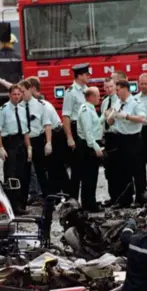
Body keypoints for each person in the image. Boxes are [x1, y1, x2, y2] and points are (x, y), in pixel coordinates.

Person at [25, 76, 70, 196]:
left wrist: (48, 142)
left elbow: (47, 125)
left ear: (31, 89)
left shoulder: (42, 105)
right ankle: (54, 194)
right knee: (52, 168)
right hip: (50, 134)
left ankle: (64, 194)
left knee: (56, 168)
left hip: (55, 135)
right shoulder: (35, 103)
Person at [106, 81, 147, 208]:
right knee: (123, 172)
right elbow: (112, 122)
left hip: (133, 139)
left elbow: (142, 118)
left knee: (137, 171)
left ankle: (140, 199)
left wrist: (127, 116)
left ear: (125, 89)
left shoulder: (135, 102)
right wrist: (111, 118)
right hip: (120, 138)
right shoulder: (118, 103)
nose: (116, 92)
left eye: (118, 89)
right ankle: (125, 199)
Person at [0, 84, 31, 213]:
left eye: (18, 94)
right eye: (14, 94)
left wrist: (29, 147)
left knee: (24, 175)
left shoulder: (22, 109)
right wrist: (0, 147)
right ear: (9, 95)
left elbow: (25, 130)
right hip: (10, 143)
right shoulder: (2, 110)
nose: (16, 97)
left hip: (22, 143)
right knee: (11, 175)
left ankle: (22, 204)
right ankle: (13, 206)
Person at [62, 63, 90, 199]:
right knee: (76, 168)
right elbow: (66, 116)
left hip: (86, 130)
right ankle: (73, 200)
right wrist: (69, 137)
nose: (88, 76)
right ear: (79, 76)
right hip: (75, 129)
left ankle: (86, 201)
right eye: (86, 74)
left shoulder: (87, 90)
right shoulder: (71, 92)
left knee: (86, 167)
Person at [77, 87, 104, 212]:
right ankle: (89, 205)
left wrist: (104, 116)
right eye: (97, 95)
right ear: (91, 97)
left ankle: (90, 202)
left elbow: (95, 125)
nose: (99, 98)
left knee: (92, 176)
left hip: (90, 144)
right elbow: (88, 132)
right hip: (88, 146)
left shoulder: (90, 109)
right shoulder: (86, 110)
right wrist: (95, 146)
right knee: (89, 176)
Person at [100, 78, 119, 206]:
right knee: (109, 170)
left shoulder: (119, 101)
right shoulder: (105, 102)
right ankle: (112, 197)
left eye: (111, 86)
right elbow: (102, 121)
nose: (108, 89)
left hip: (117, 135)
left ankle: (119, 197)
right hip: (107, 137)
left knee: (118, 169)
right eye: (106, 87)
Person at [0, 33, 22, 106]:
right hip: (14, 94)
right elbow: (21, 75)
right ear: (13, 43)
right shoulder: (18, 57)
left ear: (1, 43)